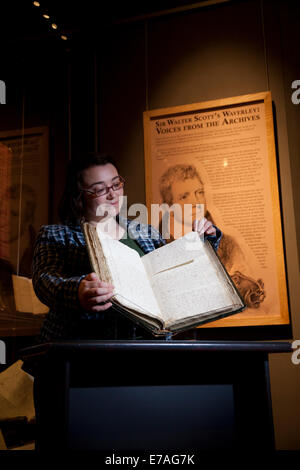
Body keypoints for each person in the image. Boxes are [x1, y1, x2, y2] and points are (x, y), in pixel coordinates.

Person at [31, 153, 222, 343]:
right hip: (83, 350)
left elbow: (172, 279)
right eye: (99, 190)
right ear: (79, 196)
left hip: (147, 345)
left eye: (116, 184)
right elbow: (44, 281)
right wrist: (77, 291)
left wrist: (202, 243)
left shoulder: (146, 232)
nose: (113, 194)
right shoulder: (57, 234)